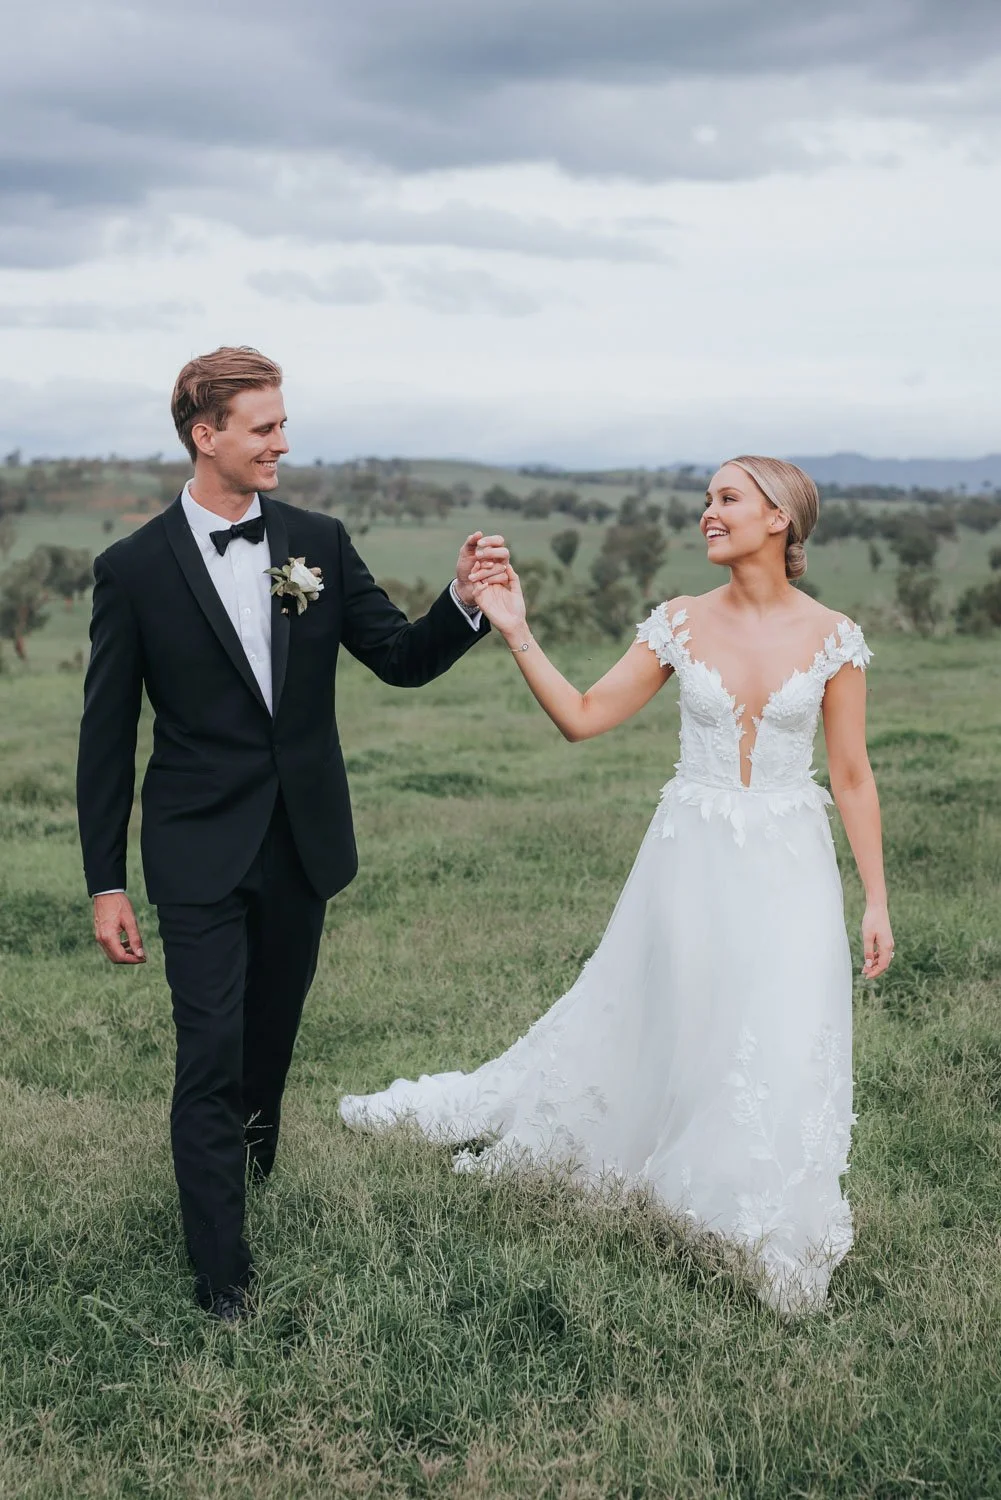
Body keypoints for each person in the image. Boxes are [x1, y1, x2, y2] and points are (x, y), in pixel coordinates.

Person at [340, 455, 893, 1315]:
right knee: (686, 1017)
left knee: (785, 1027)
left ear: (779, 518)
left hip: (792, 858)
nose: (707, 512)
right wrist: (516, 629)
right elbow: (583, 717)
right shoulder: (677, 622)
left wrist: (876, 900)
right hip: (690, 854)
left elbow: (851, 776)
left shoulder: (833, 637)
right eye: (705, 498)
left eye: (726, 499)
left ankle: (770, 1212)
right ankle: (684, 1184)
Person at [76, 345, 509, 1320]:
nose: (283, 441)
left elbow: (397, 657)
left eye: (282, 422)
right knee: (211, 1049)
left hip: (301, 842)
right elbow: (106, 737)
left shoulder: (312, 542)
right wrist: (106, 881)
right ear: (206, 435)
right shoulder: (134, 570)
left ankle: (253, 1159)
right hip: (194, 849)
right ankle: (221, 1277)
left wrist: (464, 605)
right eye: (264, 426)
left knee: (268, 1039)